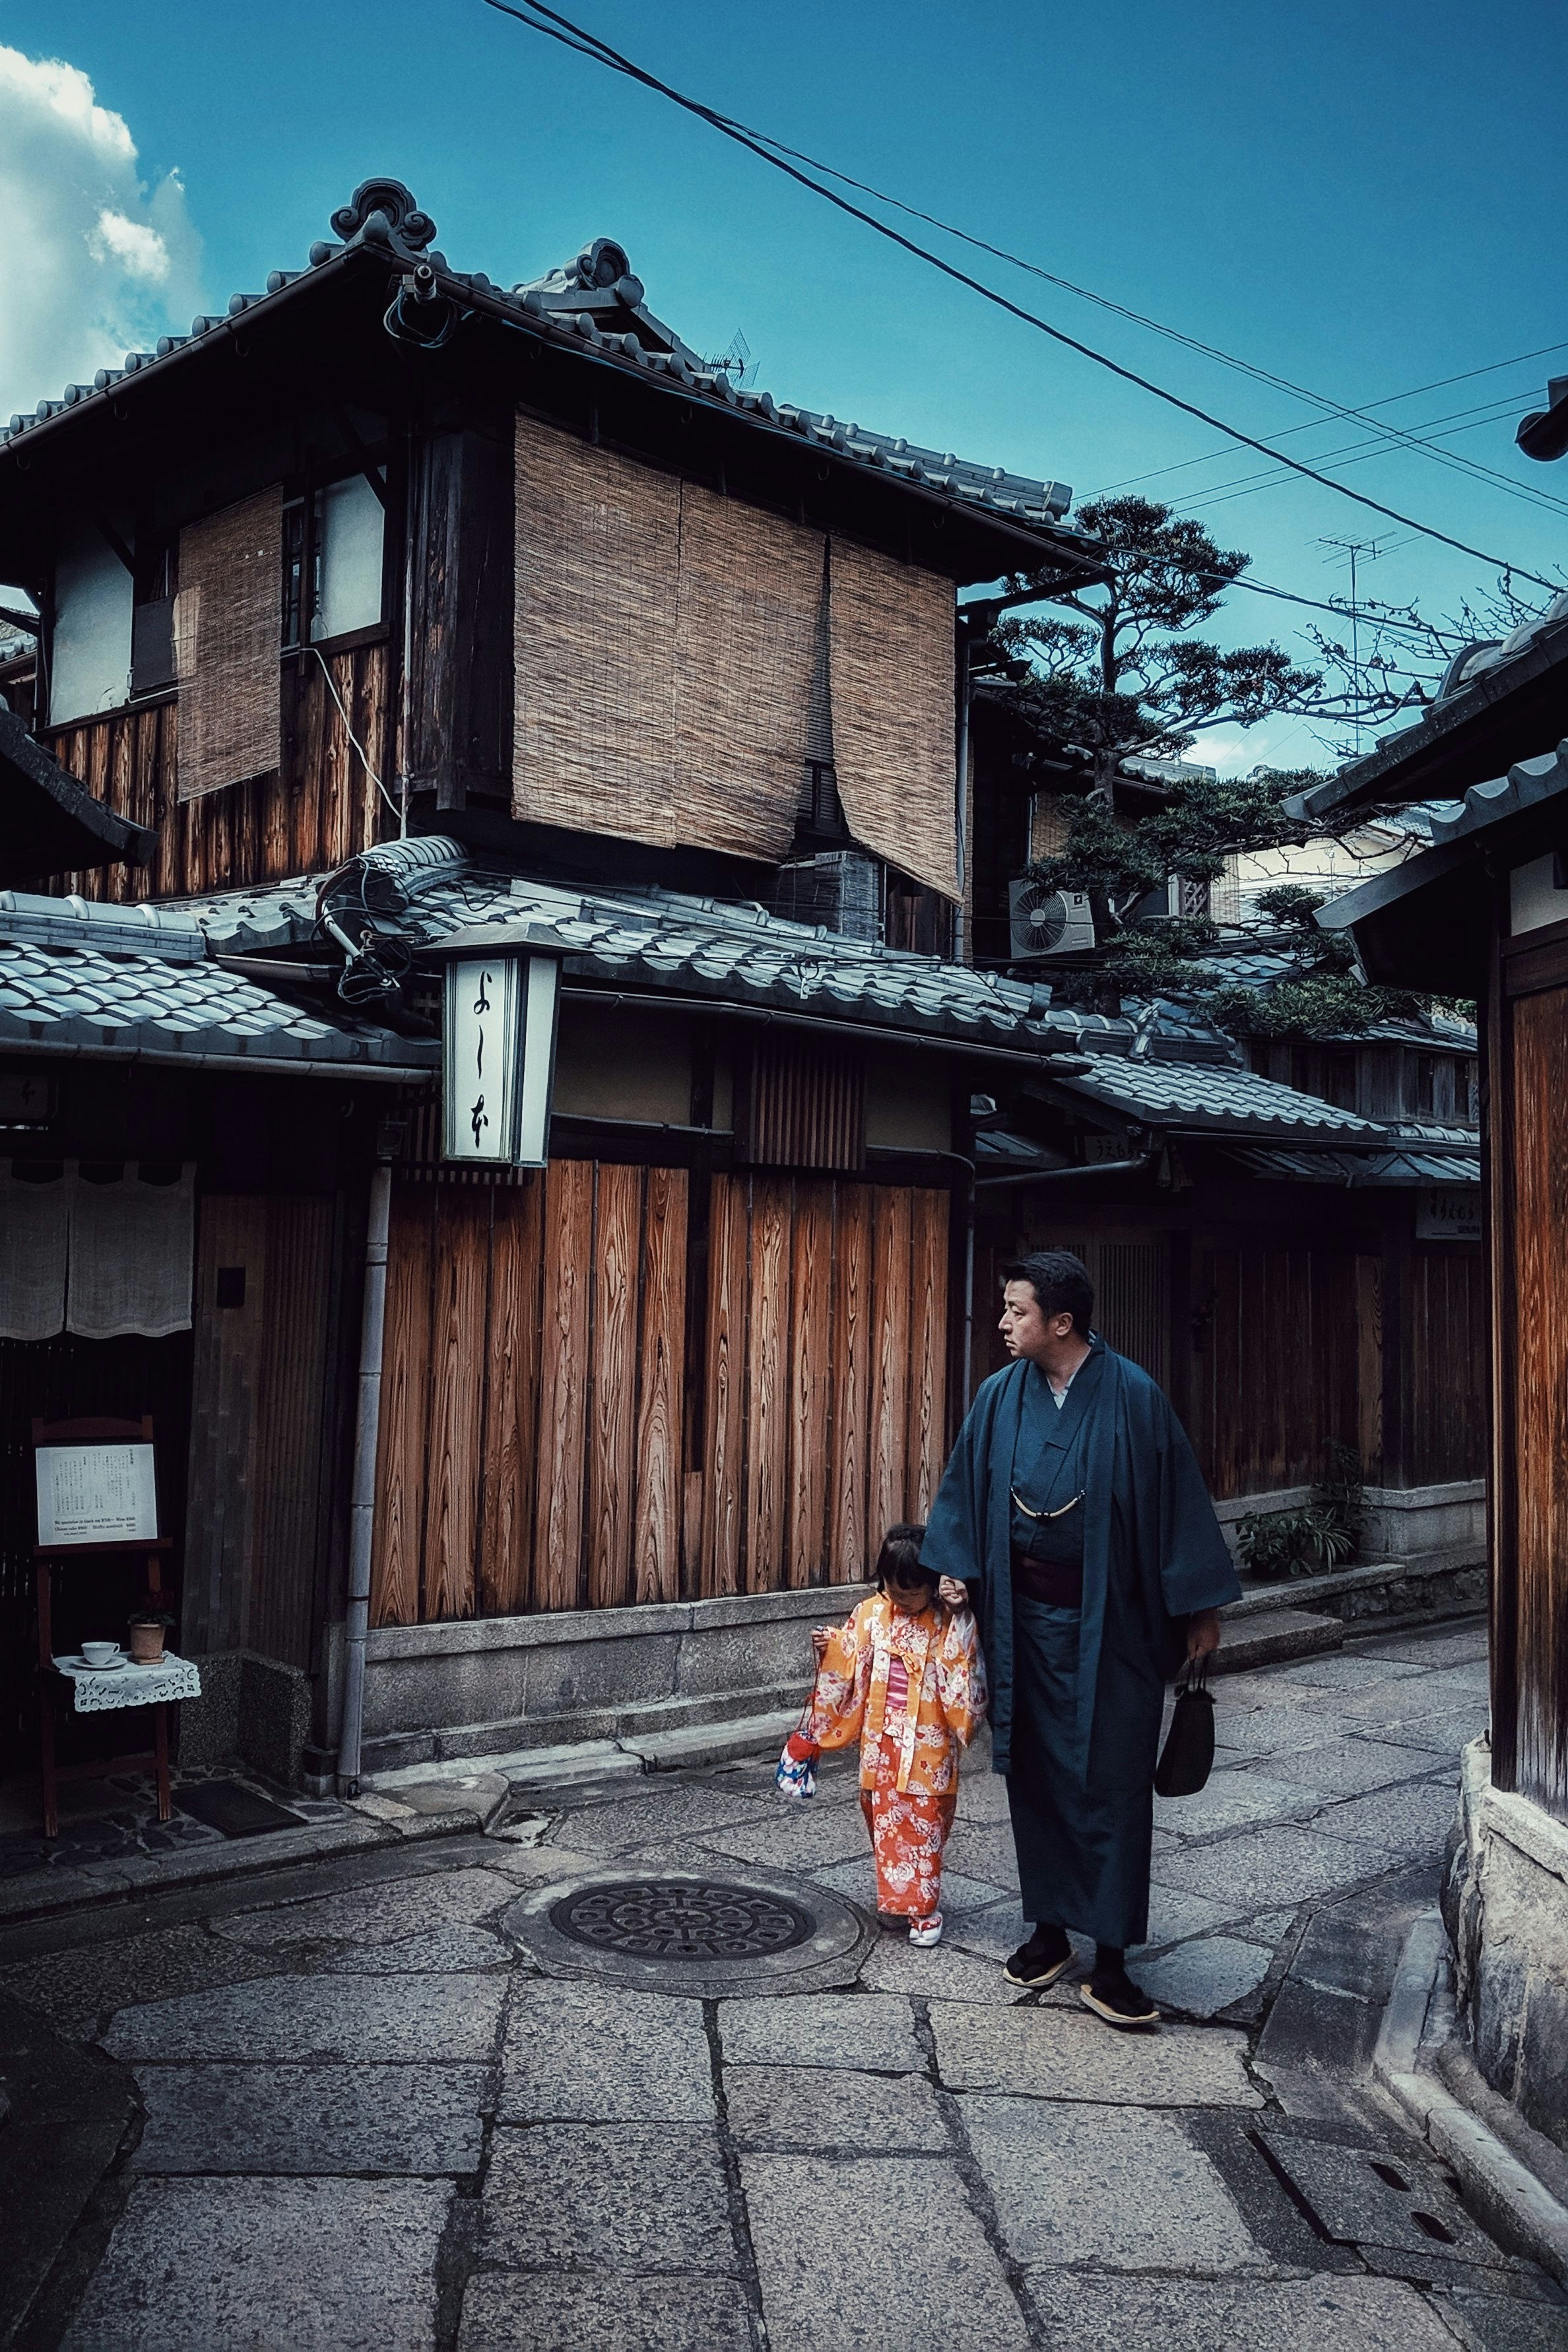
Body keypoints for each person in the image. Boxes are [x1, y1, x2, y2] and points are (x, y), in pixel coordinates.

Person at [920, 1250, 1239, 2028]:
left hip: (1113, 1624)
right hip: (1023, 1622)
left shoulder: (1133, 1397)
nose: (1002, 1323)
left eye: (1016, 1312)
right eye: (1006, 1309)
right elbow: (965, 1487)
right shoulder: (1001, 1397)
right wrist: (955, 1569)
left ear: (1062, 1323)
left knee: (1112, 1778)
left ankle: (1115, 1960)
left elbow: (1177, 1498)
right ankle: (1050, 1929)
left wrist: (1197, 1606)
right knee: (1035, 1771)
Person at [775, 1522, 987, 1948]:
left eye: (913, 1593)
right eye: (895, 1591)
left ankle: (924, 1910)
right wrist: (830, 1645)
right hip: (881, 1742)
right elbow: (849, 1654)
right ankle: (897, 1900)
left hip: (927, 1744)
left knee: (924, 1820)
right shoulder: (871, 1613)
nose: (903, 1601)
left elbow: (962, 1668)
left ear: (933, 1583)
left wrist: (961, 1613)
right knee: (882, 1816)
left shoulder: (947, 1620)